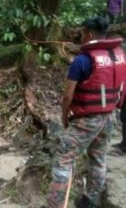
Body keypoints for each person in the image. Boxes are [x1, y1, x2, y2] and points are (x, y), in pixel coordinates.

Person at [47, 16, 126, 208]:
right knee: (98, 159)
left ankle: (55, 204)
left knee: (63, 160)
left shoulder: (82, 60)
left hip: (87, 120)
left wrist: (64, 116)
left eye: (82, 34)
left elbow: (67, 96)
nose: (80, 37)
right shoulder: (119, 55)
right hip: (109, 117)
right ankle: (89, 201)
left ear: (89, 34)